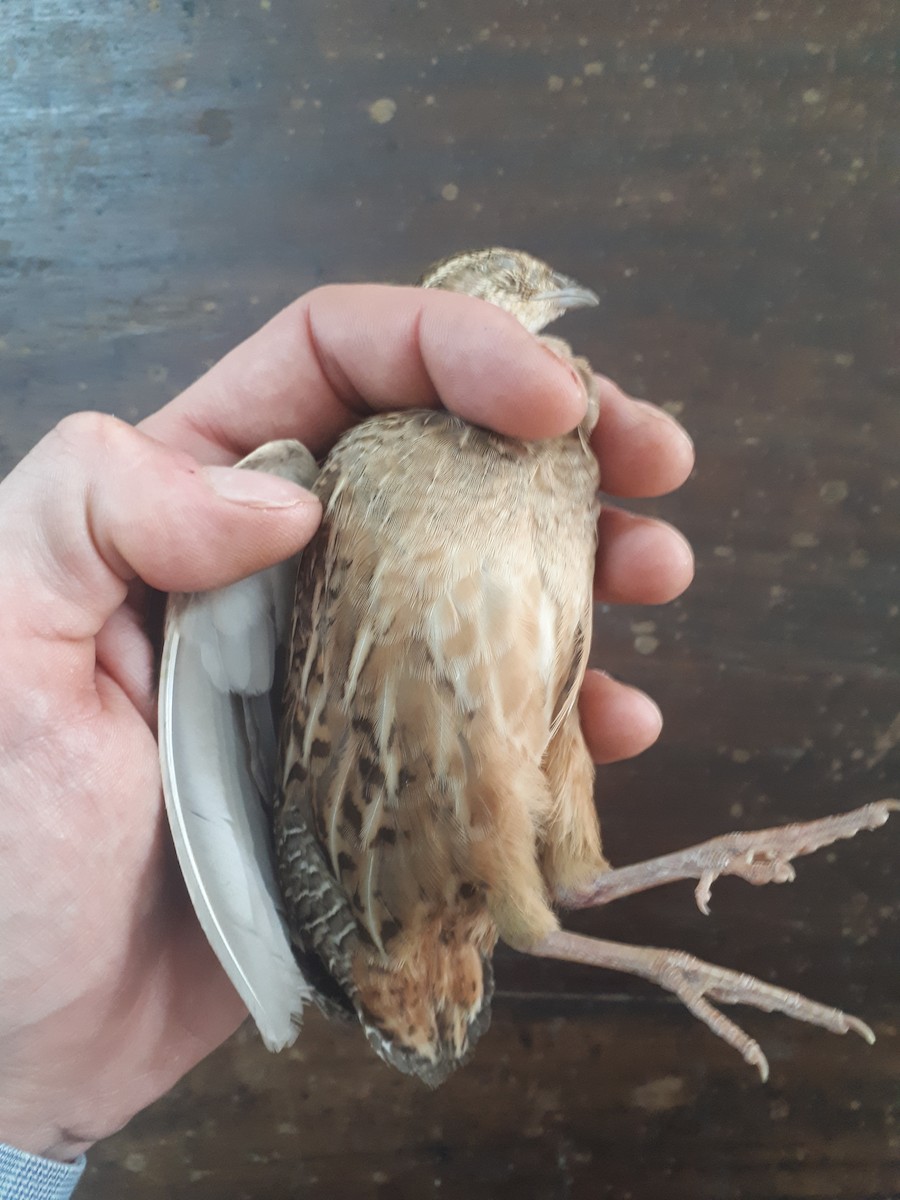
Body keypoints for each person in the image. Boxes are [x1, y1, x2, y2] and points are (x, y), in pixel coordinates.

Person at [0, 284, 694, 1196]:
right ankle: (666, 955)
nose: (550, 347)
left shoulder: (570, 475)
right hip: (377, 878)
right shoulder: (348, 471)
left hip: (425, 874)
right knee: (531, 887)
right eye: (515, 313)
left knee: (563, 835)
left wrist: (31, 1097)